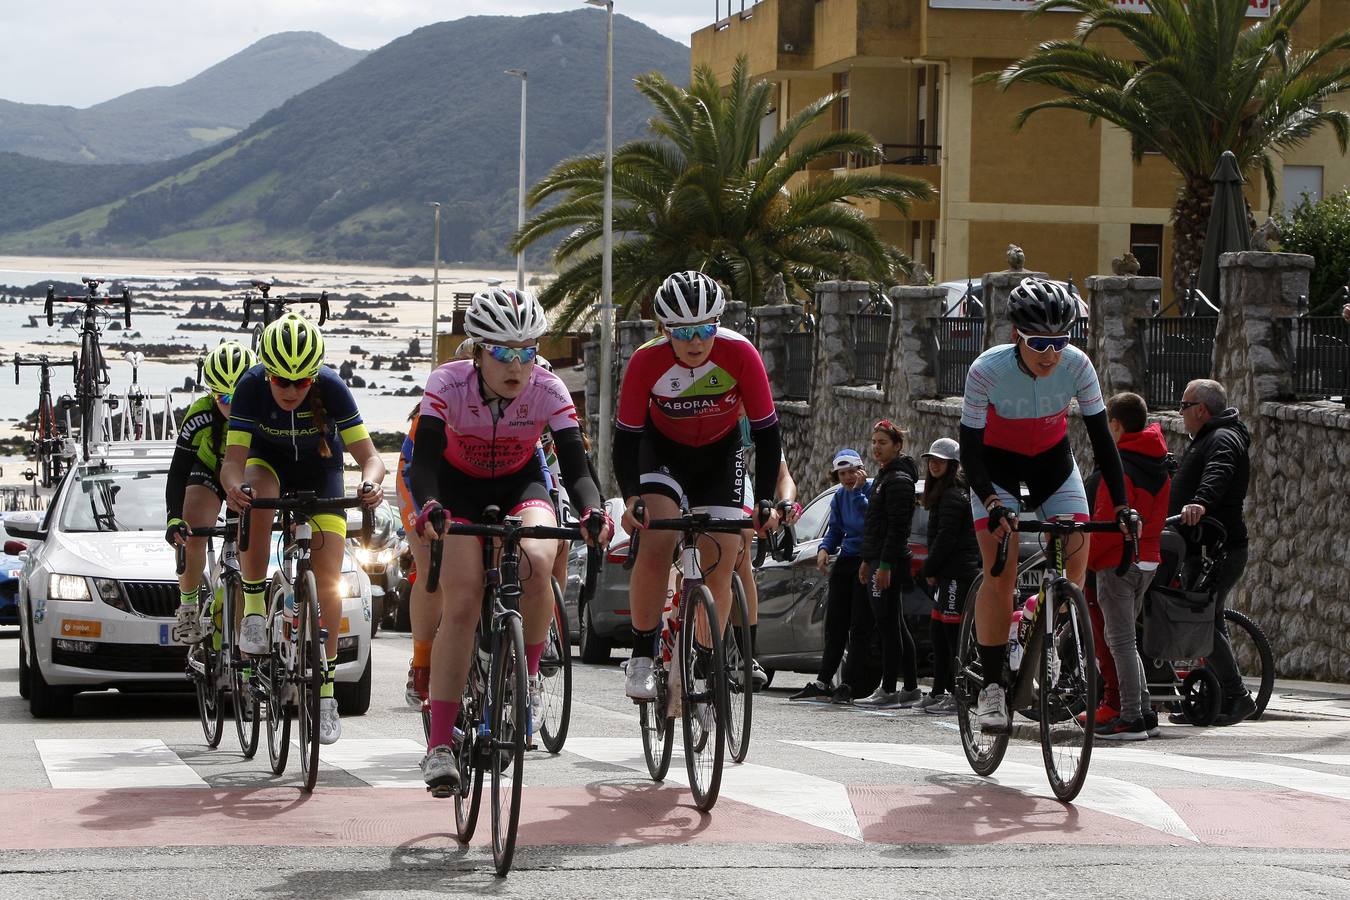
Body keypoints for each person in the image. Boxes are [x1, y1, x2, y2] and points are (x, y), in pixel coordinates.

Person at [409, 288, 609, 794]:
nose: (516, 365)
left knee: (540, 560)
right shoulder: (446, 383)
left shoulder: (549, 387)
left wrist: (591, 510)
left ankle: (531, 674)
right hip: (457, 487)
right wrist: (430, 505)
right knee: (462, 599)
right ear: (477, 350)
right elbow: (426, 460)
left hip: (521, 482)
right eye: (502, 352)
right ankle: (438, 744)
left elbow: (575, 464)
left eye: (526, 350)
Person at [960, 276, 1135, 732]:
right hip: (995, 469)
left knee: (1076, 564)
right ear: (1018, 335)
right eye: (1040, 343)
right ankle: (993, 687)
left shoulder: (1077, 366)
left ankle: (1033, 621)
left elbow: (1102, 441)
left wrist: (1121, 505)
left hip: (1051, 466)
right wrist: (991, 500)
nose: (1050, 354)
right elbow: (970, 451)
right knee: (1000, 570)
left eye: (1060, 342)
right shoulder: (986, 370)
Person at [222, 313, 386, 747]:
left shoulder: (332, 388)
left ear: (315, 377)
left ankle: (326, 692)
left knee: (330, 580)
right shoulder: (250, 387)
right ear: (267, 374)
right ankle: (255, 608)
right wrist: (233, 488)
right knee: (257, 495)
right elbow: (232, 463)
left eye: (301, 382)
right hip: (267, 465)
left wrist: (371, 484)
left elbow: (371, 458)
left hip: (321, 472)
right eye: (282, 381)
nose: (292, 390)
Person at [615, 271, 781, 702]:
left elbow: (766, 431)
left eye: (705, 329)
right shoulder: (645, 361)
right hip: (661, 453)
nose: (695, 342)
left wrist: (764, 499)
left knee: (723, 555)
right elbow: (626, 438)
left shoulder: (740, 353)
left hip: (719, 455)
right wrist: (632, 496)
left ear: (718, 325)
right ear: (664, 330)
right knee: (658, 537)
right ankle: (640, 655)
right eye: (683, 332)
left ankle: (709, 656)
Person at [1085, 392, 1170, 740]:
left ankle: (1132, 717)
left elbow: (1106, 521)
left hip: (1117, 560)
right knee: (1126, 640)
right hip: (1148, 556)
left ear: (1116, 425)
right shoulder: (1158, 459)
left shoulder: (1117, 465)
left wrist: (1086, 562)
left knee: (1119, 641)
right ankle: (1145, 710)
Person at [1170, 378, 1255, 726]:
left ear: (1201, 410)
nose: (1180, 412)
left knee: (1202, 620)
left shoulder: (1222, 438)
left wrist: (1199, 503)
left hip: (1217, 548)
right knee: (1209, 618)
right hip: (1203, 546)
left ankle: (1235, 695)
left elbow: (1219, 473)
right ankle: (1215, 697)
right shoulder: (1210, 437)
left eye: (1184, 405)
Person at [165, 341, 255, 644]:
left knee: (248, 544)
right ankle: (188, 605)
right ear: (211, 394)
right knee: (194, 531)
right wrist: (173, 519)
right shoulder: (200, 414)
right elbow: (178, 470)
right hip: (209, 470)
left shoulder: (264, 412)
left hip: (245, 475)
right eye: (223, 397)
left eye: (239, 396)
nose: (231, 404)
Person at [790, 449, 870, 703]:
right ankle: (823, 681)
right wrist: (825, 549)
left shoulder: (870, 490)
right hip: (846, 559)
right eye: (842, 474)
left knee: (859, 626)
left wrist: (857, 492)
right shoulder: (838, 497)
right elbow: (835, 529)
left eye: (851, 472)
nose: (847, 478)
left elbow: (872, 521)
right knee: (835, 624)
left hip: (866, 559)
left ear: (861, 470)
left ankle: (849, 683)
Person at [856, 419, 923, 709]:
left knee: (887, 626)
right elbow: (874, 524)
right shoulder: (884, 477)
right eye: (874, 442)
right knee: (894, 623)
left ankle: (889, 688)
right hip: (877, 559)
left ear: (897, 446)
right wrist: (866, 560)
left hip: (889, 563)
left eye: (882, 443)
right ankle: (909, 687)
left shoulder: (897, 481)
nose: (876, 448)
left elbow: (897, 528)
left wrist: (883, 565)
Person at [917, 437, 980, 715]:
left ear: (952, 465)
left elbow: (946, 539)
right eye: (931, 460)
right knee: (938, 632)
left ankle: (959, 694)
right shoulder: (944, 493)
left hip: (957, 574)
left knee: (954, 637)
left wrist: (929, 568)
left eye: (940, 461)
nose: (933, 465)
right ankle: (939, 690)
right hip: (947, 575)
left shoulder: (954, 495)